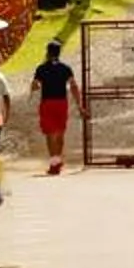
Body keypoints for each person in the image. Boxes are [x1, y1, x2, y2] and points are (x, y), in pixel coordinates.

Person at [31, 41, 75, 174]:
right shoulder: (65, 68)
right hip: (61, 102)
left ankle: (54, 162)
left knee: (50, 133)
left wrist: (36, 87)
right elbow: (73, 85)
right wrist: (79, 103)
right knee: (60, 131)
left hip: (47, 102)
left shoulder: (41, 68)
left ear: (48, 52)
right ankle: (58, 160)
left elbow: (35, 85)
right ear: (59, 53)